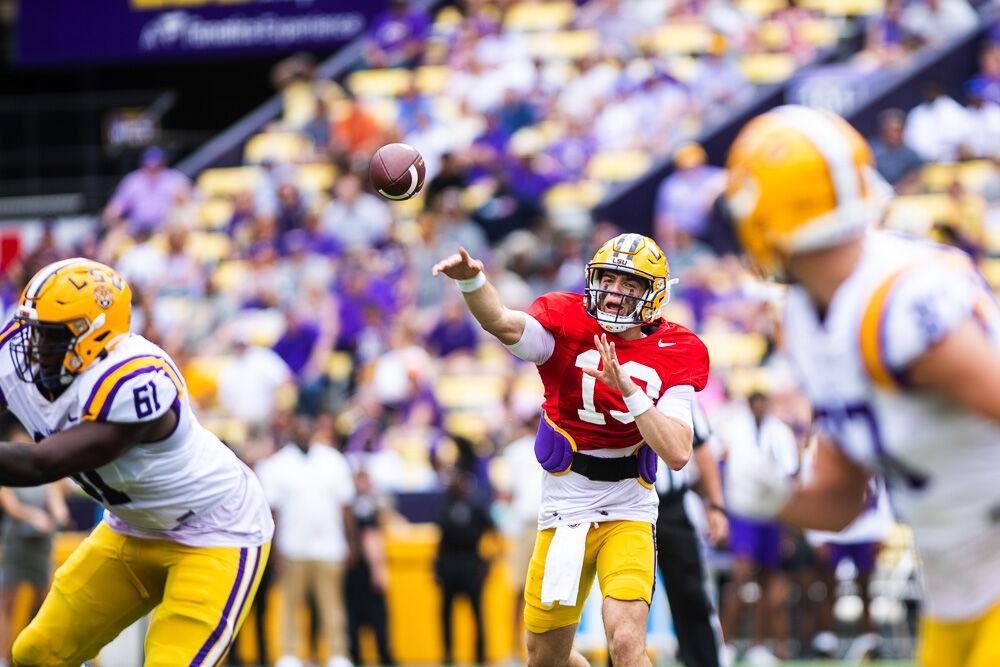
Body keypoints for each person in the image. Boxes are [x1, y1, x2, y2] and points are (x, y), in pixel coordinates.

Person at [723, 104, 1000, 667]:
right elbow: (842, 499)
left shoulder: (899, 301)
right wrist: (779, 500)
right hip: (954, 590)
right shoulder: (806, 315)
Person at [432, 232, 710, 667]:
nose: (616, 294)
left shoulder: (678, 349)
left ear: (653, 294)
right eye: (610, 280)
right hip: (566, 503)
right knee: (545, 659)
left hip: (629, 505)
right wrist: (472, 283)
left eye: (630, 285)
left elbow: (677, 452)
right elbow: (504, 323)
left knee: (625, 642)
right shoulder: (566, 320)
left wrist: (630, 392)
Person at [0, 258, 273, 666]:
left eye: (51, 336)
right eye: (35, 332)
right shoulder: (20, 354)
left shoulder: (135, 380)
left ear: (95, 336)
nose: (34, 348)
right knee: (36, 654)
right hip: (131, 527)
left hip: (215, 532)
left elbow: (42, 464)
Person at [259, 415, 356, 667]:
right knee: (289, 604)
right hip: (292, 546)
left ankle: (338, 654)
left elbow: (346, 507)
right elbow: (273, 512)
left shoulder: (333, 460)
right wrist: (275, 548)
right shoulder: (277, 464)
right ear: (291, 432)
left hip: (329, 545)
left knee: (332, 605)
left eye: (307, 428)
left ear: (314, 430)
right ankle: (289, 654)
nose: (302, 433)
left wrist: (350, 542)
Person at [719, 391, 799, 664]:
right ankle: (725, 644)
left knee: (767, 581)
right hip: (742, 512)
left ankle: (758, 646)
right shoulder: (733, 429)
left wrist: (787, 526)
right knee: (739, 578)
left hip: (772, 513)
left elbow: (790, 476)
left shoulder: (780, 432)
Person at [655, 401, 728, 667]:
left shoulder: (678, 387)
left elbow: (703, 445)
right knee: (622, 600)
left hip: (671, 505)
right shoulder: (614, 378)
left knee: (691, 593)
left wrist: (716, 505)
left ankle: (704, 661)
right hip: (627, 507)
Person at [0, 429, 70, 666]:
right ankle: (4, 657)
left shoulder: (44, 476)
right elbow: (12, 507)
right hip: (16, 543)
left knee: (43, 597)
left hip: (41, 543)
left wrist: (59, 514)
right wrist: (34, 517)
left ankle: (33, 653)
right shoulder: (6, 478)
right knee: (8, 599)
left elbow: (57, 504)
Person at [434, 470, 495, 665]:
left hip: (471, 566)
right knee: (446, 614)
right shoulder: (445, 506)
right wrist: (437, 569)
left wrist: (488, 563)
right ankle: (447, 655)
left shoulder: (476, 506)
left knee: (477, 613)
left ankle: (480, 655)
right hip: (450, 566)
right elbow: (441, 542)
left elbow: (494, 533)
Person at [102, 146, 192, 235]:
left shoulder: (174, 179)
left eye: (156, 166)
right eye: (148, 166)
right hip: (137, 229)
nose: (152, 170)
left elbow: (190, 203)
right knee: (115, 234)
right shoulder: (132, 180)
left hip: (164, 227)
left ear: (163, 165)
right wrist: (113, 221)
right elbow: (115, 208)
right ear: (142, 165)